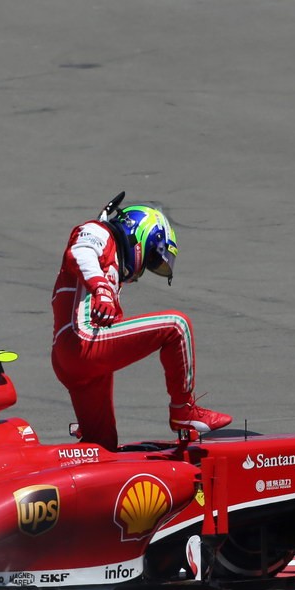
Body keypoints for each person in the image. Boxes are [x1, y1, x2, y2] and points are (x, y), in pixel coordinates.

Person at [51, 192, 232, 450]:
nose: (143, 269)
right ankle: (184, 411)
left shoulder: (111, 264)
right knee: (176, 326)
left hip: (73, 359)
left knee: (101, 446)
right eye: (149, 257)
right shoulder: (98, 231)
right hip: (82, 341)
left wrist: (105, 291)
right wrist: (101, 286)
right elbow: (79, 253)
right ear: (140, 234)